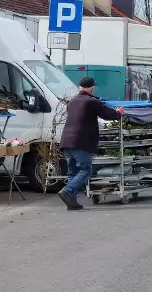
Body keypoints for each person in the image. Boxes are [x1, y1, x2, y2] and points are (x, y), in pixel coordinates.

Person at [58, 77, 124, 210]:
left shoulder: (72, 102)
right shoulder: (91, 101)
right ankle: (67, 190)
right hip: (81, 142)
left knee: (73, 172)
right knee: (86, 170)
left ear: (79, 87)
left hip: (66, 141)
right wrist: (118, 113)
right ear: (92, 88)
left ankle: (71, 201)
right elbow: (107, 114)